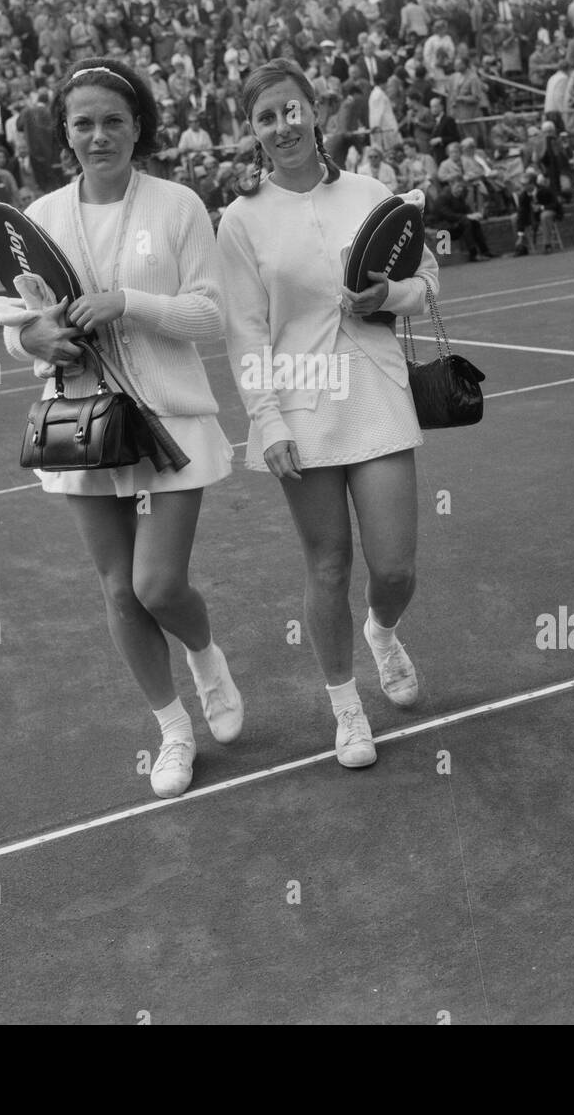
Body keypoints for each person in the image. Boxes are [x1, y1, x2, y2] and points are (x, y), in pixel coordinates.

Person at [0, 58, 241, 800]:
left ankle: (205, 657)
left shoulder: (178, 206)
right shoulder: (39, 216)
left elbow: (210, 313)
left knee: (158, 583)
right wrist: (29, 342)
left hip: (169, 415)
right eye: (83, 123)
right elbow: (17, 316)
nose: (98, 135)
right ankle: (172, 730)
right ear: (64, 133)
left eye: (112, 120)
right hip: (80, 419)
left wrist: (125, 302)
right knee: (118, 589)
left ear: (138, 126)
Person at [217, 59, 439, 771]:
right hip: (297, 402)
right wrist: (267, 420)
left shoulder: (372, 192)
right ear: (250, 131)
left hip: (374, 389)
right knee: (328, 563)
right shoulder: (241, 220)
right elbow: (244, 332)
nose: (282, 126)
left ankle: (382, 631)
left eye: (291, 110)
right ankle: (347, 709)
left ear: (316, 112)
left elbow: (426, 279)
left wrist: (387, 299)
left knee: (396, 566)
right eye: (264, 117)